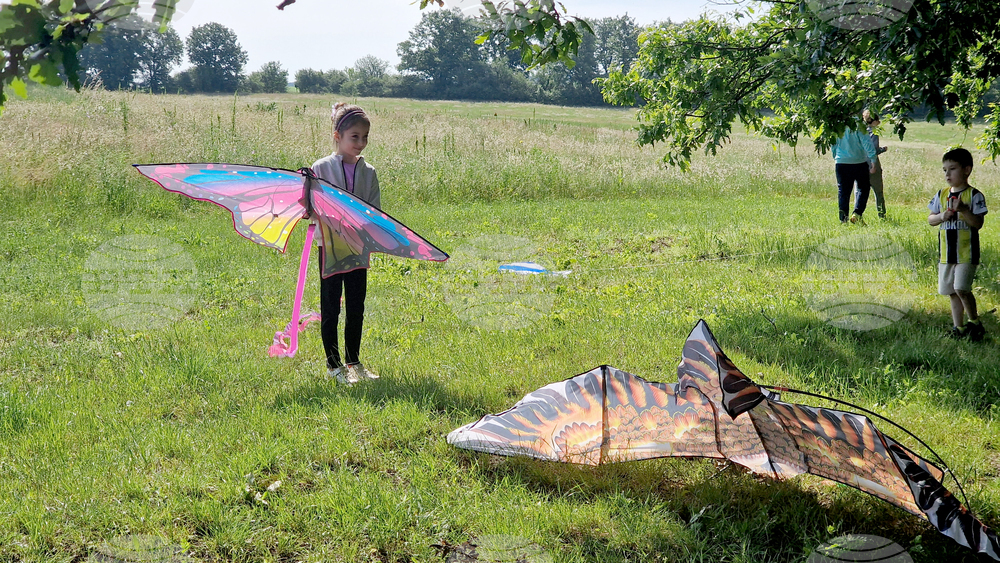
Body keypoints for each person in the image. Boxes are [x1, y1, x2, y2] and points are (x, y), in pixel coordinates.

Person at [311, 103, 381, 384]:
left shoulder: (369, 172)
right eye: (355, 136)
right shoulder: (320, 168)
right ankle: (333, 366)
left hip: (358, 247)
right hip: (329, 247)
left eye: (365, 137)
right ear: (337, 135)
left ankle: (353, 361)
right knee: (331, 307)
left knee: (356, 306)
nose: (361, 143)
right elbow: (313, 206)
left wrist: (363, 228)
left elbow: (374, 211)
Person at [927, 147, 988, 341]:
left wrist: (963, 210)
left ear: (966, 170)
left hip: (966, 253)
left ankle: (975, 323)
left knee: (962, 288)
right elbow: (930, 219)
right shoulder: (942, 194)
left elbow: (978, 224)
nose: (947, 174)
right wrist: (941, 216)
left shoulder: (974, 195)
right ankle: (958, 327)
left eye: (952, 169)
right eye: (944, 170)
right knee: (951, 291)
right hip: (946, 253)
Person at [831, 122, 878, 223]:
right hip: (859, 162)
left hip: (841, 162)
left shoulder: (836, 124)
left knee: (843, 191)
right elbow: (866, 142)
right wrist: (873, 159)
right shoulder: (858, 124)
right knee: (864, 188)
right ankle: (857, 213)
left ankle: (843, 220)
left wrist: (836, 156)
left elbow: (833, 143)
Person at [863, 109, 889, 218]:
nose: (879, 123)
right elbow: (873, 150)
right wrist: (883, 149)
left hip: (861, 164)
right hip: (873, 165)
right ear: (873, 121)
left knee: (860, 192)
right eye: (878, 120)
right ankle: (881, 215)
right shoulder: (874, 133)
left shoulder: (862, 132)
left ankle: (857, 214)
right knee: (878, 192)